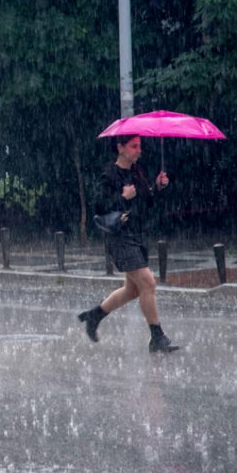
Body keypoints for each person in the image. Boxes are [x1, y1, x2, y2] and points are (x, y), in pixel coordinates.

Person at [77, 135, 179, 353]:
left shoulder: (137, 172)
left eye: (139, 146)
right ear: (120, 148)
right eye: (133, 146)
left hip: (138, 235)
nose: (138, 150)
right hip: (120, 237)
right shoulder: (109, 174)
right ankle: (157, 337)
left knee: (133, 290)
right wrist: (122, 197)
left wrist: (157, 187)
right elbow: (99, 206)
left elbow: (147, 201)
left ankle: (95, 315)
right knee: (148, 283)